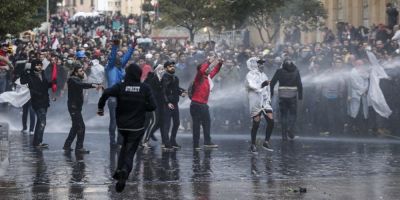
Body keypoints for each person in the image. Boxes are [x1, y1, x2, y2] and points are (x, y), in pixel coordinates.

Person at [97, 63, 156, 193]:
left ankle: (119, 170)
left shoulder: (120, 86)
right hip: (137, 127)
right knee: (130, 151)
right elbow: (152, 106)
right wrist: (141, 107)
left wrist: (100, 108)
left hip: (122, 126)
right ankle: (125, 171)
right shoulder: (145, 88)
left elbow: (106, 92)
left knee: (124, 146)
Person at [105, 38, 137, 148]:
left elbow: (126, 57)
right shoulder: (109, 68)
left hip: (121, 98)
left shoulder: (120, 68)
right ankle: (112, 142)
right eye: (117, 57)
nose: (120, 58)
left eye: (120, 56)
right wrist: (114, 46)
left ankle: (119, 141)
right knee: (114, 120)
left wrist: (132, 47)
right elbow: (114, 56)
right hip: (113, 98)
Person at [63, 64, 102, 154]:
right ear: (76, 72)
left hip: (76, 106)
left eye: (82, 70)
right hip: (74, 107)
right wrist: (94, 85)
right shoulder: (73, 79)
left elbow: (82, 84)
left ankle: (67, 145)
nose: (82, 72)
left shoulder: (76, 79)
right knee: (81, 126)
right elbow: (82, 85)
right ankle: (79, 147)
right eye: (80, 71)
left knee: (75, 126)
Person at [190, 57, 223, 150]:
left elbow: (215, 71)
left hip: (204, 105)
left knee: (207, 123)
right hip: (196, 104)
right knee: (196, 125)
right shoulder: (198, 78)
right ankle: (196, 144)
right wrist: (208, 62)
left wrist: (220, 63)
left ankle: (207, 142)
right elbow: (201, 71)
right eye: (206, 68)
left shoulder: (207, 78)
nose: (208, 69)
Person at [20, 59, 54, 148]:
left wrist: (52, 83)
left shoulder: (42, 73)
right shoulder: (30, 75)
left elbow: (45, 85)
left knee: (40, 122)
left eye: (40, 65)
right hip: (37, 101)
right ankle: (38, 142)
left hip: (45, 101)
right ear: (33, 66)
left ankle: (36, 142)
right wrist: (25, 71)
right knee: (42, 121)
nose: (40, 66)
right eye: (37, 65)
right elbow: (22, 81)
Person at [245, 57, 274, 153]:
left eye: (262, 64)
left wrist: (268, 99)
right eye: (260, 63)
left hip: (265, 101)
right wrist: (262, 85)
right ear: (254, 64)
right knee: (256, 123)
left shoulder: (264, 75)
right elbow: (252, 86)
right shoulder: (250, 74)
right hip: (255, 101)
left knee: (271, 120)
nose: (262, 65)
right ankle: (253, 144)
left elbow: (267, 88)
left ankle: (266, 142)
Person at [270, 58, 303, 141]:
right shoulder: (296, 71)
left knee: (283, 116)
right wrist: (300, 96)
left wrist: (271, 93)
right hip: (292, 96)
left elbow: (272, 83)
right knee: (293, 115)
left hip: (282, 96)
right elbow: (299, 84)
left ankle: (284, 136)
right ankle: (290, 129)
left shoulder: (279, 71)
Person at [161, 61, 186, 150]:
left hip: (175, 103)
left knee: (176, 123)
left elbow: (175, 89)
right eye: (170, 66)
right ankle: (166, 143)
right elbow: (163, 91)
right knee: (167, 124)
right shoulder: (164, 77)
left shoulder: (175, 77)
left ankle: (172, 140)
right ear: (166, 68)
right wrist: (167, 102)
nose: (173, 67)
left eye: (173, 66)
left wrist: (181, 92)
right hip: (167, 104)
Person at [142, 64, 165, 148]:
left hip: (157, 103)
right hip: (151, 103)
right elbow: (148, 89)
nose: (162, 70)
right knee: (154, 121)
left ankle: (146, 136)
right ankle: (145, 141)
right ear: (155, 70)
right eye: (160, 69)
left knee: (154, 122)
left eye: (163, 69)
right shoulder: (152, 77)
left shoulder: (161, 79)